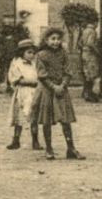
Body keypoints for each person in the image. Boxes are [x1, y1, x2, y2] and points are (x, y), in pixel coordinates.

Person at [33, 27, 84, 160]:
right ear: (46, 40)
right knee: (47, 121)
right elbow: (42, 75)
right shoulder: (41, 55)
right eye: (52, 39)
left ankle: (71, 148)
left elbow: (68, 71)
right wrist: (53, 87)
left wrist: (62, 85)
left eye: (58, 39)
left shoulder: (63, 53)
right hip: (47, 90)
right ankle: (49, 149)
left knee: (66, 120)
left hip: (61, 90)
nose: (56, 42)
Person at [7, 38, 42, 150]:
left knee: (33, 117)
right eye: (29, 52)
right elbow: (16, 79)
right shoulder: (16, 63)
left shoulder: (35, 63)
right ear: (22, 52)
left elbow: (40, 75)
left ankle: (35, 141)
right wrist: (34, 82)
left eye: (33, 52)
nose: (31, 55)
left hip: (34, 92)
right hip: (22, 92)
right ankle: (16, 140)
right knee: (20, 117)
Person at [0, 11, 28, 86]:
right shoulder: (4, 33)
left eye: (10, 18)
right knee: (7, 69)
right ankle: (6, 84)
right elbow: (0, 43)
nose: (9, 21)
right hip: (6, 53)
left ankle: (10, 84)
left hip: (13, 52)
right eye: (7, 19)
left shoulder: (16, 31)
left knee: (13, 69)